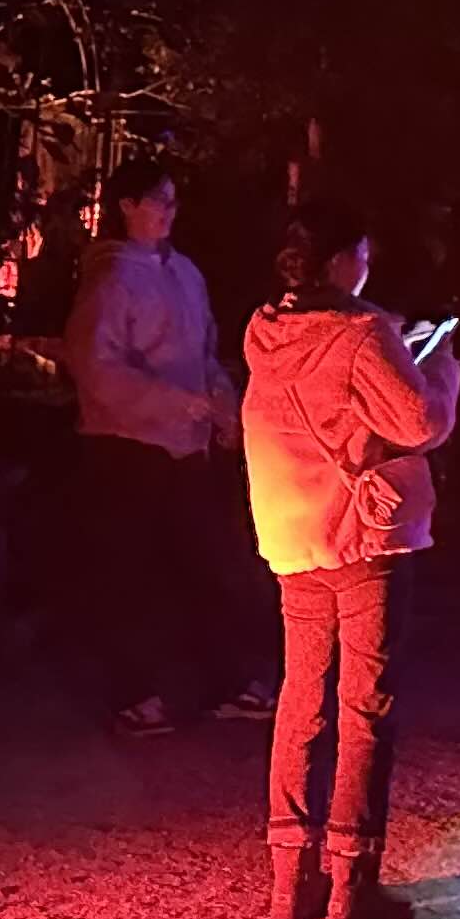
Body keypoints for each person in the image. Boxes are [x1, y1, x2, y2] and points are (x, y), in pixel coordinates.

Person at [243, 200, 460, 919]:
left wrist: (393, 338)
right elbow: (419, 421)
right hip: (362, 533)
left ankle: (290, 881)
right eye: (362, 255)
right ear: (341, 260)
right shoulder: (362, 333)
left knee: (301, 695)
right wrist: (441, 364)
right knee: (365, 703)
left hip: (292, 533)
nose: (367, 267)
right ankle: (351, 884)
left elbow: (327, 384)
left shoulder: (264, 329)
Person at [58, 159, 271, 737]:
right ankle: (138, 693)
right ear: (126, 206)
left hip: (185, 447)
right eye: (158, 200)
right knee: (134, 572)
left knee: (208, 563)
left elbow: (204, 351)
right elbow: (97, 368)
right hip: (127, 447)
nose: (170, 212)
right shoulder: (110, 278)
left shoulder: (185, 273)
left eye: (173, 201)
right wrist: (178, 403)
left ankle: (225, 681)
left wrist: (220, 402)